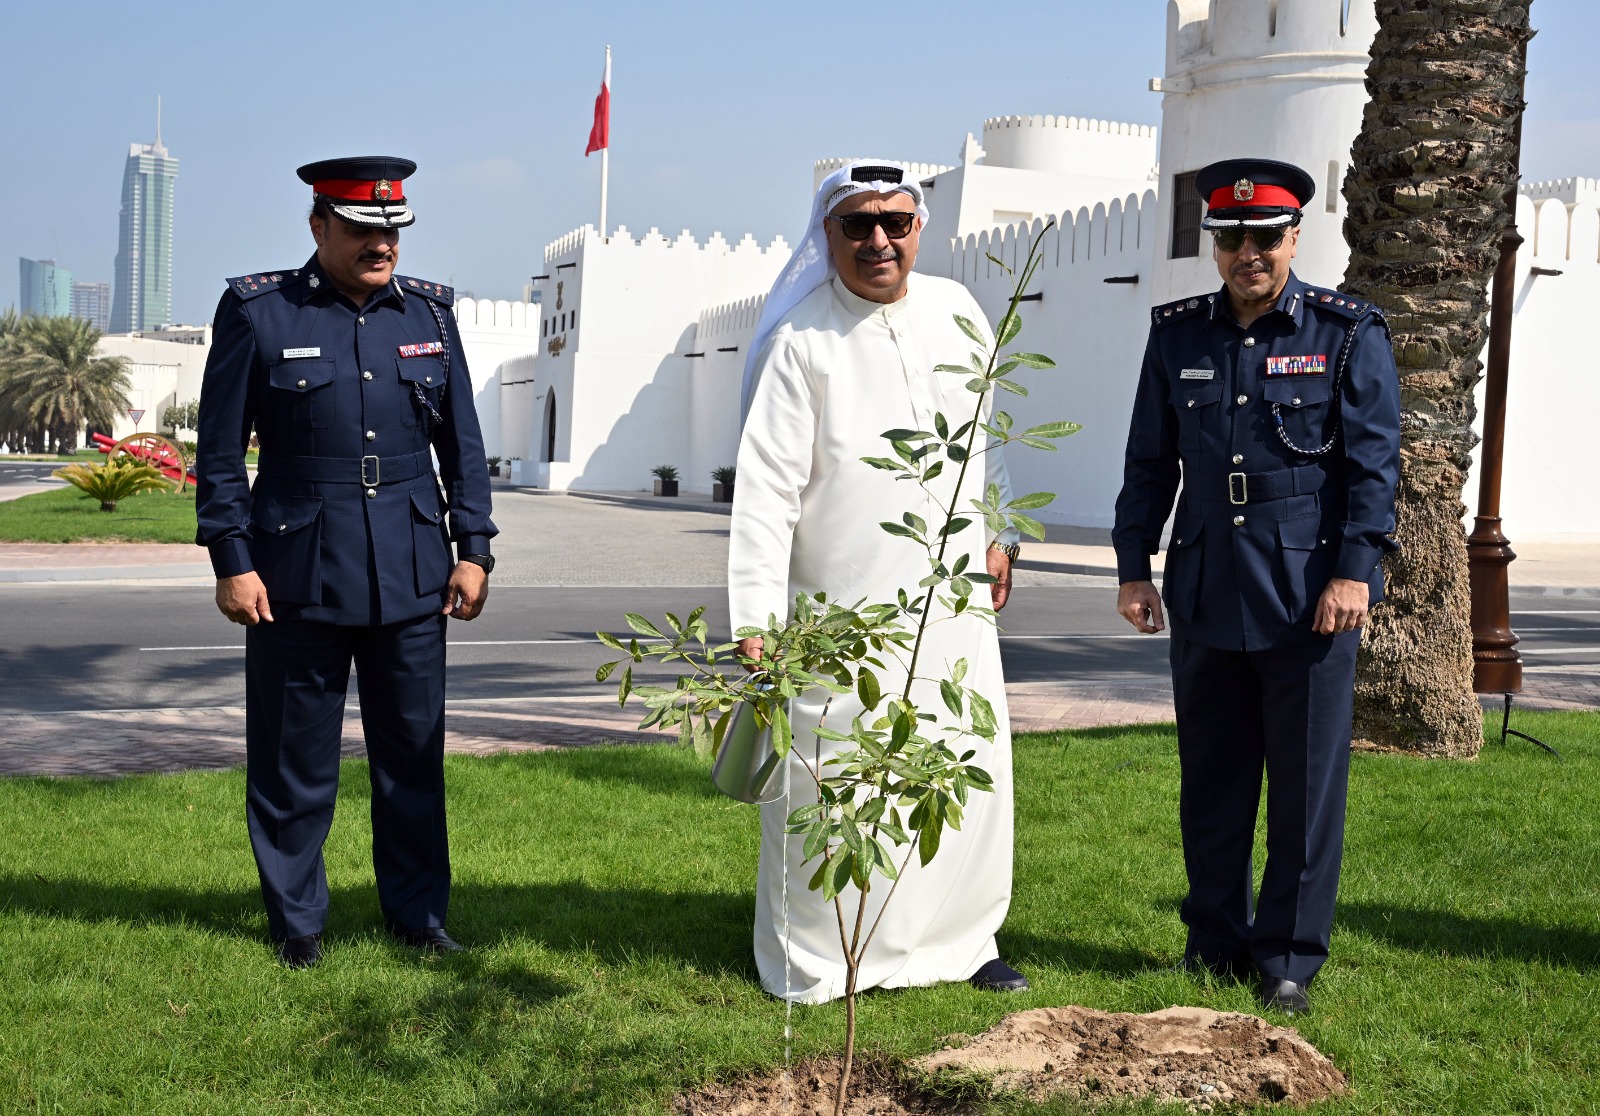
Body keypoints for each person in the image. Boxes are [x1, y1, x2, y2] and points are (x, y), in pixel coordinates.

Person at [730, 160, 1027, 1003]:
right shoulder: (801, 341)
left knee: (960, 758)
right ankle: (822, 958)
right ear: (827, 235)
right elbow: (765, 493)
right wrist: (756, 618)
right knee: (835, 772)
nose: (878, 241)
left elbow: (986, 435)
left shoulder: (960, 312)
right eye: (857, 224)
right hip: (842, 613)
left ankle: (962, 941)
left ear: (919, 229)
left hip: (952, 599)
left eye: (895, 222)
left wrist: (999, 532)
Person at [1112, 158, 1400, 1015]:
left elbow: (1375, 468)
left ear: (1294, 239)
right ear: (1216, 246)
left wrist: (1354, 571)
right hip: (1206, 585)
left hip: (1310, 595)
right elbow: (1148, 460)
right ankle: (1214, 943)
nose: (1249, 253)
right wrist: (1133, 567)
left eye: (1265, 238)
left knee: (1305, 789)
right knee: (1212, 780)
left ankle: (1287, 960)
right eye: (1232, 238)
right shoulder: (1178, 336)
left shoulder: (1345, 331)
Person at [195, 156, 497, 969]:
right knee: (294, 761)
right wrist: (231, 558)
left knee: (412, 757)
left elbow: (462, 446)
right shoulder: (260, 312)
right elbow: (219, 453)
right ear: (319, 226)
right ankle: (298, 924)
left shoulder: (430, 314)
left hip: (413, 571)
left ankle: (419, 918)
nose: (381, 245)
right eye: (363, 230)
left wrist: (474, 549)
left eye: (392, 232)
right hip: (295, 572)